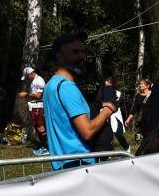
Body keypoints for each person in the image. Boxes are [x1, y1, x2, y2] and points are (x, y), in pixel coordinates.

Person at [42, 32, 116, 171]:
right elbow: (87, 131)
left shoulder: (50, 85)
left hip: (62, 165)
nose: (82, 56)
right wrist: (107, 111)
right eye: (75, 52)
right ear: (60, 56)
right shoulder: (66, 87)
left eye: (83, 52)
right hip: (79, 165)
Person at [19, 66, 47, 152]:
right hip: (34, 106)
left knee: (40, 126)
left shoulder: (39, 80)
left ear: (30, 74)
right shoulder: (33, 81)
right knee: (36, 125)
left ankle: (47, 146)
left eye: (27, 77)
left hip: (39, 106)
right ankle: (43, 145)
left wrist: (26, 94)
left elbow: (39, 96)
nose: (27, 79)